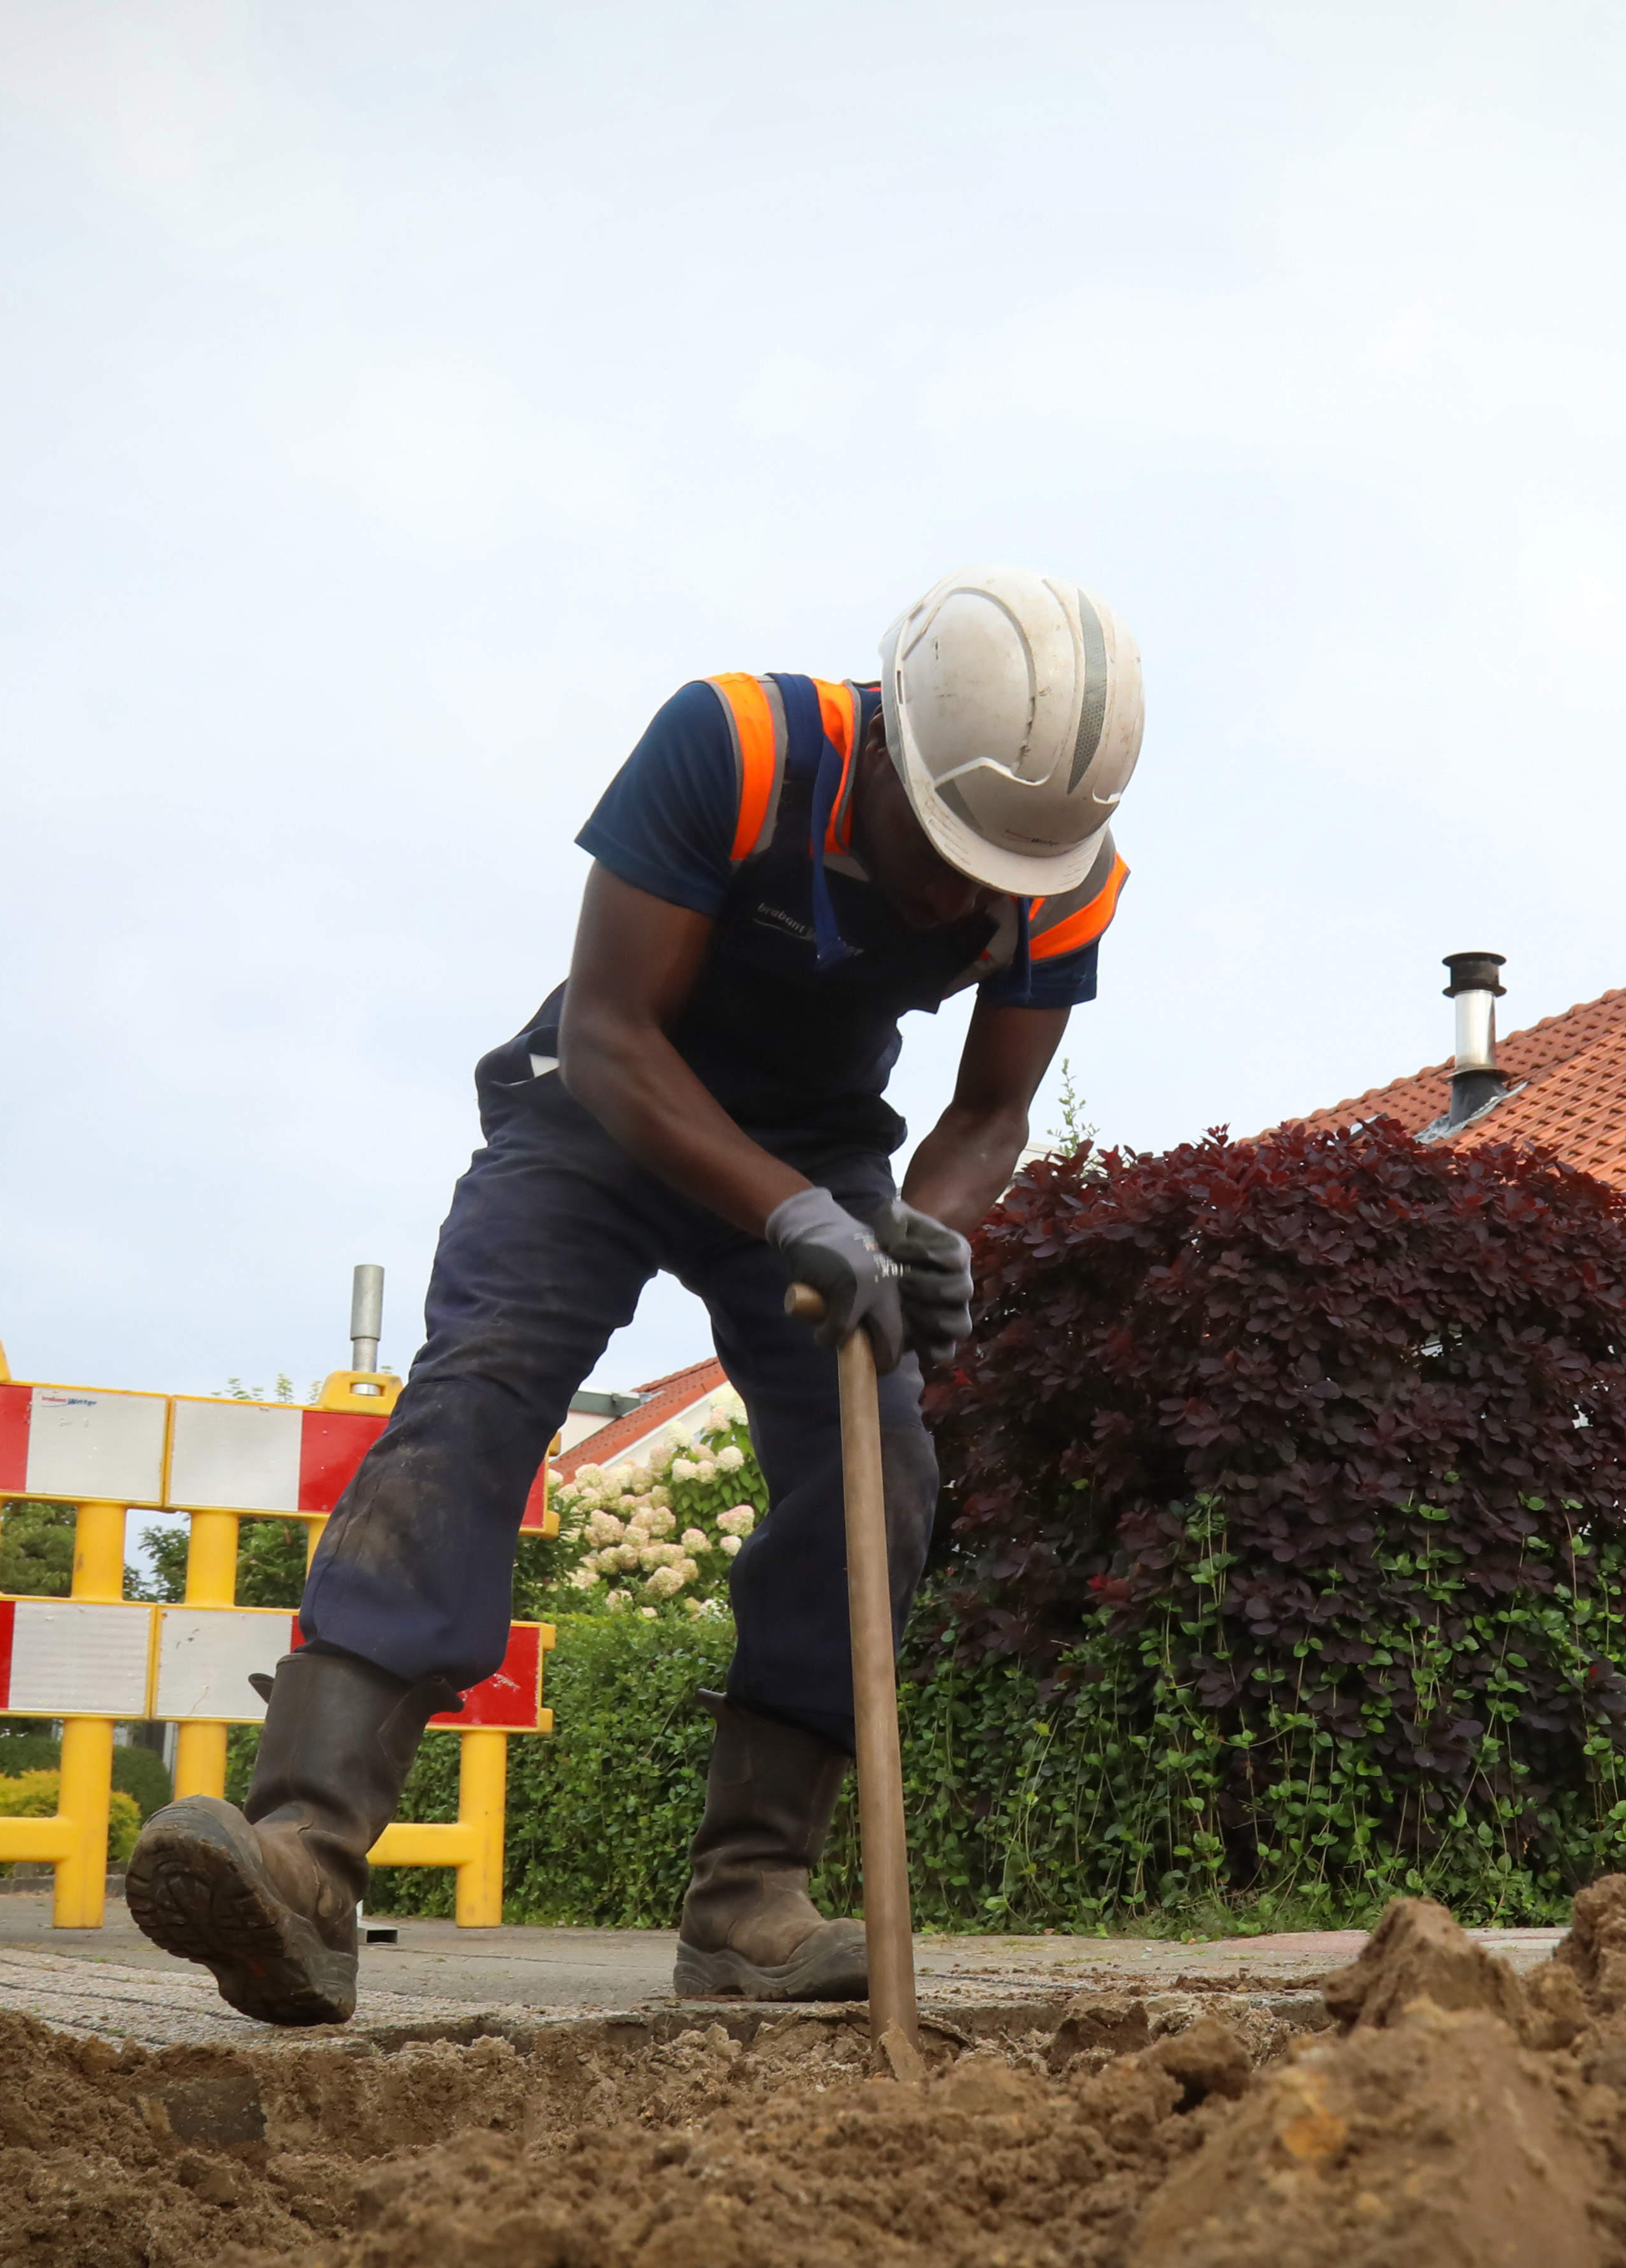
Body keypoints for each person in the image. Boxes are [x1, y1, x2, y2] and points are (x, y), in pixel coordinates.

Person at [124, 568, 1145, 2025]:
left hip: (817, 1143)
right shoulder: (733, 749)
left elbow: (988, 1113)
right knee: (480, 1393)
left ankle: (749, 1905)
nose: (973, 895)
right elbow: (610, 1033)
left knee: (887, 1465)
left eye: (1008, 872)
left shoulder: (1062, 872)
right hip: (597, 1114)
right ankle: (306, 1857)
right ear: (896, 749)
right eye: (950, 850)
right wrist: (788, 1209)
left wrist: (922, 1233)